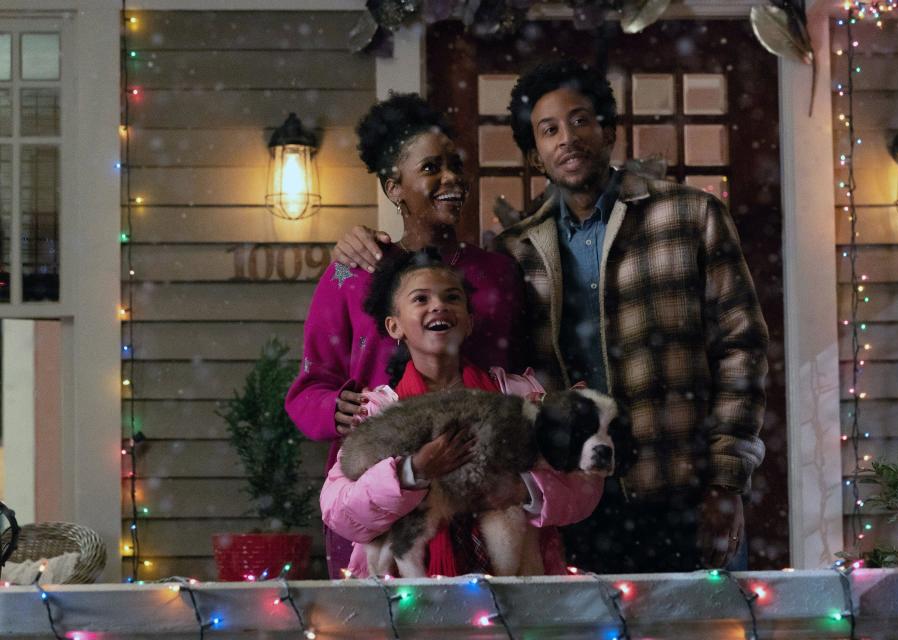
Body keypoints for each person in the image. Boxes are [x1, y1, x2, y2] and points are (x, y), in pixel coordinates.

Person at [330, 60, 769, 573]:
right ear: (535, 152)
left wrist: (724, 480)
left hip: (679, 482)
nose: (568, 139)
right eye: (549, 129)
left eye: (581, 121)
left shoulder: (690, 216)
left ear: (607, 130)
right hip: (574, 493)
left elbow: (742, 347)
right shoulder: (518, 250)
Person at [285, 93, 525, 578]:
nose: (453, 179)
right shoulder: (353, 273)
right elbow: (309, 388)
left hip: (483, 494)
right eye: (432, 168)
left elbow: (518, 377)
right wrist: (334, 408)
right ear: (395, 188)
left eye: (456, 166)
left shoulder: (498, 274)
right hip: (377, 495)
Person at [320, 248, 603, 577]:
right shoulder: (378, 412)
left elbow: (585, 484)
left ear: (469, 321)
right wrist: (411, 473)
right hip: (409, 597)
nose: (438, 306)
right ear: (394, 326)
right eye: (421, 299)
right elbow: (338, 510)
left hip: (515, 594)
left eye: (452, 297)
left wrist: (520, 489)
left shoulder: (517, 396)